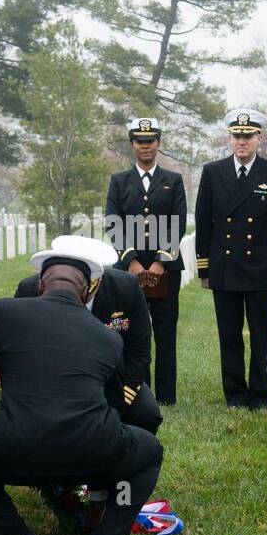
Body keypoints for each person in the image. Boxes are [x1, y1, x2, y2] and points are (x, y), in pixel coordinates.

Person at [0, 246, 164, 535]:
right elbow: (114, 397)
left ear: (41, 285)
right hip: (93, 454)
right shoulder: (108, 339)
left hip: (16, 452)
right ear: (87, 289)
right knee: (149, 452)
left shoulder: (4, 313)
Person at [194, 109, 267, 409]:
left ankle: (262, 393)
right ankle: (234, 394)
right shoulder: (213, 172)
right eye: (237, 136)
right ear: (229, 138)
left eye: (248, 136)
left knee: (264, 338)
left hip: (261, 269)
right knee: (229, 335)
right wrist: (204, 267)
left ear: (259, 138)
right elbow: (203, 222)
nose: (242, 141)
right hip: (224, 268)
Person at [14, 236, 161, 434]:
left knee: (146, 413)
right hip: (53, 378)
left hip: (112, 380)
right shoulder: (30, 290)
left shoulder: (126, 288)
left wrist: (122, 397)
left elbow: (139, 352)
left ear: (97, 280)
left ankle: (126, 456)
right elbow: (20, 348)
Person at [105, 117, 187, 405]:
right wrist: (132, 262)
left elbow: (176, 223)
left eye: (150, 141)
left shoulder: (173, 181)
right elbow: (113, 222)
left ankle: (165, 396)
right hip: (129, 271)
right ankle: (137, 391)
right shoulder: (118, 181)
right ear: (132, 145)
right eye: (140, 142)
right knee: (127, 330)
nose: (145, 147)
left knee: (165, 332)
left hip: (165, 269)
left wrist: (160, 262)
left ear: (158, 143)